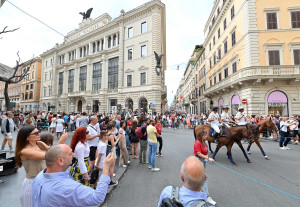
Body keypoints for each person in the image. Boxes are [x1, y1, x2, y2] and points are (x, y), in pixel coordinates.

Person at [32, 144, 115, 207]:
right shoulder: (68, 187)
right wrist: (106, 168)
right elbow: (97, 197)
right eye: (70, 153)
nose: (73, 154)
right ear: (60, 161)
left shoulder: (39, 177)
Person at [15, 126, 46, 207]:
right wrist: (60, 141)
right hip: (33, 182)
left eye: (38, 131)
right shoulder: (25, 151)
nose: (39, 134)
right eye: (35, 133)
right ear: (27, 137)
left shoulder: (39, 145)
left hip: (44, 181)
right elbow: (49, 156)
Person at [194, 130, 216, 205]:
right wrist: (208, 158)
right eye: (205, 135)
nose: (206, 136)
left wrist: (207, 158)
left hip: (203, 161)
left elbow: (204, 152)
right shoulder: (197, 143)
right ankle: (207, 196)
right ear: (201, 136)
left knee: (199, 178)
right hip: (199, 162)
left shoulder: (203, 142)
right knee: (204, 178)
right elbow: (198, 153)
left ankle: (197, 192)